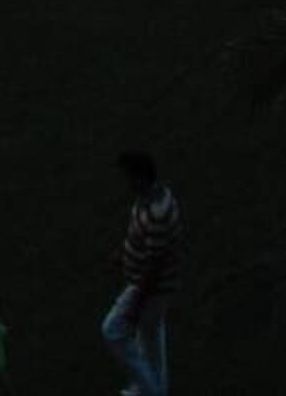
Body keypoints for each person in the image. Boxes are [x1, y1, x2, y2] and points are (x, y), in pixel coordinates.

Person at [102, 149, 180, 395]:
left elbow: (154, 264)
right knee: (151, 338)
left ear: (140, 177)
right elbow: (142, 238)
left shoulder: (157, 212)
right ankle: (156, 387)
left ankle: (151, 390)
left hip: (152, 287)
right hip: (156, 286)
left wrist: (136, 302)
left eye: (126, 177)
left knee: (113, 331)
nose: (124, 183)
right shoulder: (151, 198)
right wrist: (123, 254)